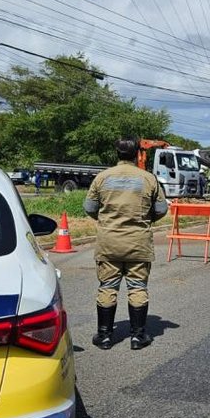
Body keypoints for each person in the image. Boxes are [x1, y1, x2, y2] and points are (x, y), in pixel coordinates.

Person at [83, 137, 168, 350]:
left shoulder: (102, 177)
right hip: (138, 243)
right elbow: (161, 209)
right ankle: (138, 337)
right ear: (137, 154)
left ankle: (104, 336)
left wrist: (107, 221)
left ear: (117, 153)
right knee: (137, 287)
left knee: (107, 287)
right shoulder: (148, 179)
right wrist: (145, 219)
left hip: (109, 243)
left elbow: (90, 207)